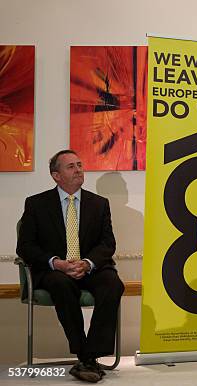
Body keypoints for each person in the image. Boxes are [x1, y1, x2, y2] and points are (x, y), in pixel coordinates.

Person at [16, 150, 124, 383]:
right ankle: (86, 356)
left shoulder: (99, 204)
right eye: (71, 166)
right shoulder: (36, 204)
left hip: (90, 268)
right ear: (56, 175)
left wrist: (87, 263)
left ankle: (90, 356)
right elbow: (25, 246)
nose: (78, 170)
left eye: (80, 164)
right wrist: (56, 263)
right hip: (55, 270)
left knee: (113, 284)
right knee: (61, 284)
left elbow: (108, 243)